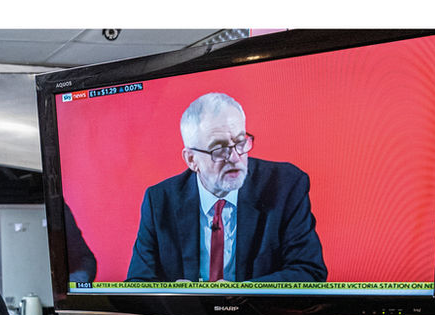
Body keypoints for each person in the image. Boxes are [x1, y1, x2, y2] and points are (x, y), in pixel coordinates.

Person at [126, 92, 327, 283]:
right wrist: (172, 296)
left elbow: (309, 271)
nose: (234, 157)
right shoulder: (160, 200)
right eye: (219, 149)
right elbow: (137, 282)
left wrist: (242, 293)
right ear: (191, 159)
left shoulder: (285, 185)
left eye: (240, 142)